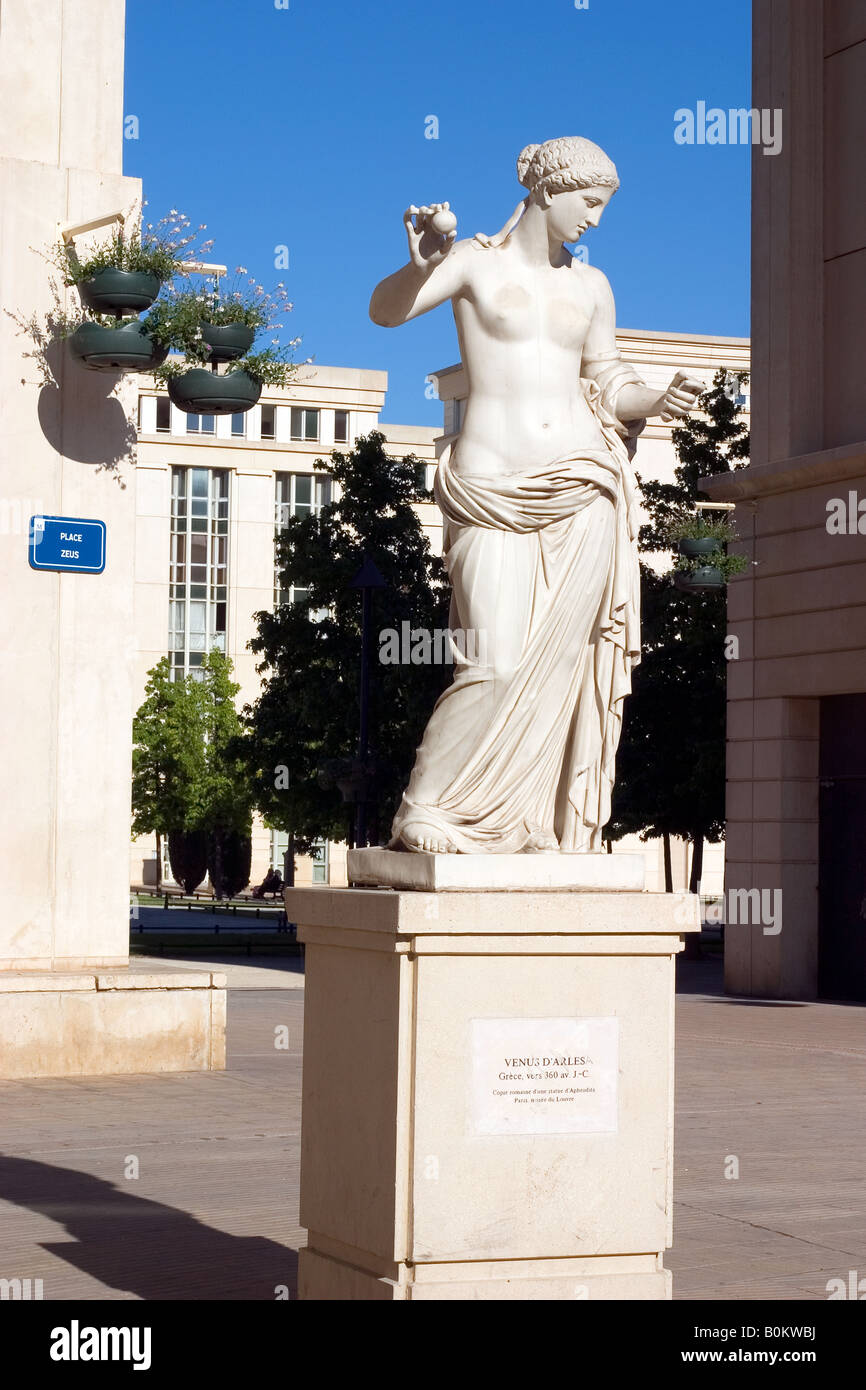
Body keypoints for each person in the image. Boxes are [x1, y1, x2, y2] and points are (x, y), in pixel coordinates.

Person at [369, 136, 702, 855]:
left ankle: (529, 821)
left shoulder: (592, 285)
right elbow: (386, 313)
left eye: (603, 206)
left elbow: (609, 380)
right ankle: (424, 806)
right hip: (490, 484)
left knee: (561, 667)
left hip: (584, 486)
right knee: (494, 659)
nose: (595, 219)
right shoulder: (472, 262)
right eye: (590, 202)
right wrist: (420, 265)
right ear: (549, 189)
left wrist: (654, 398)